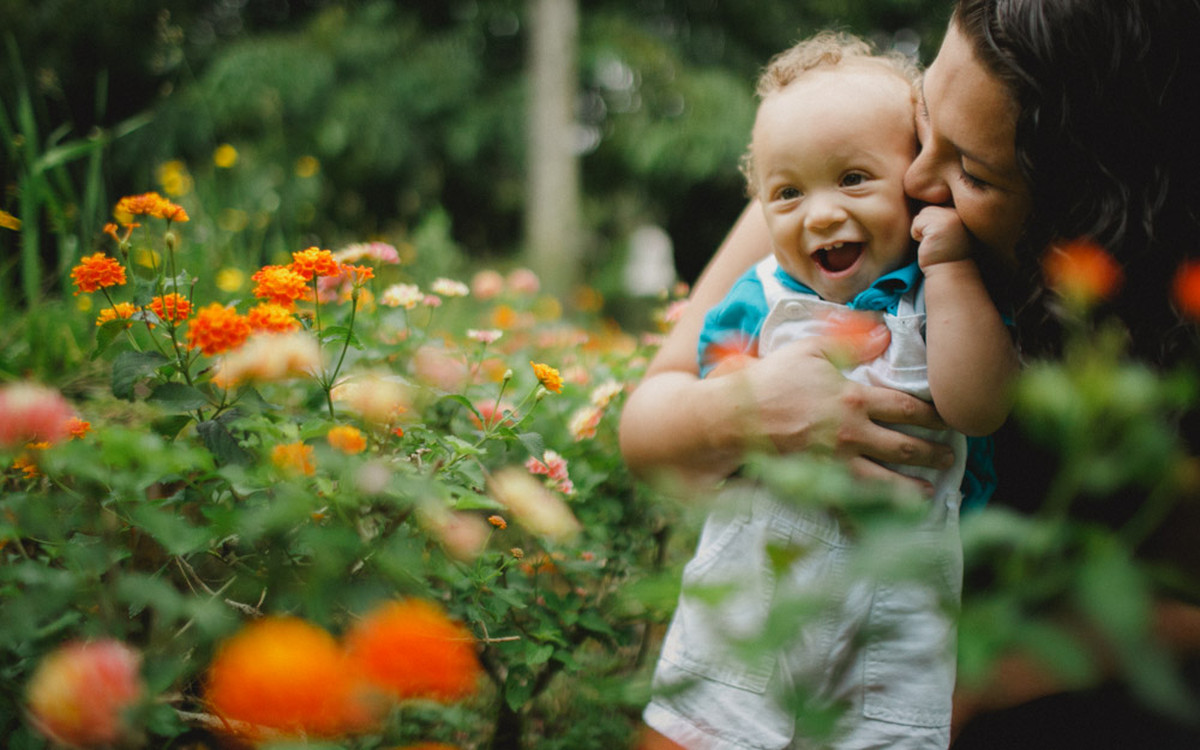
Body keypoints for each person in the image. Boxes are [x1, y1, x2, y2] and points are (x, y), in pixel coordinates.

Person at [621, 0, 1200, 748]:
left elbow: (1180, 600)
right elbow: (648, 425)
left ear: (1081, 214)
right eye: (926, 116)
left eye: (974, 170)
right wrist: (745, 411)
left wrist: (959, 679)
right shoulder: (832, 176)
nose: (917, 178)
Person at [642, 30, 1017, 750]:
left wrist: (949, 269)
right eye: (786, 193)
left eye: (853, 179)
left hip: (893, 617)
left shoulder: (936, 296)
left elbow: (978, 405)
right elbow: (714, 376)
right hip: (751, 598)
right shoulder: (761, 293)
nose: (818, 214)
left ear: (918, 180)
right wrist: (746, 398)